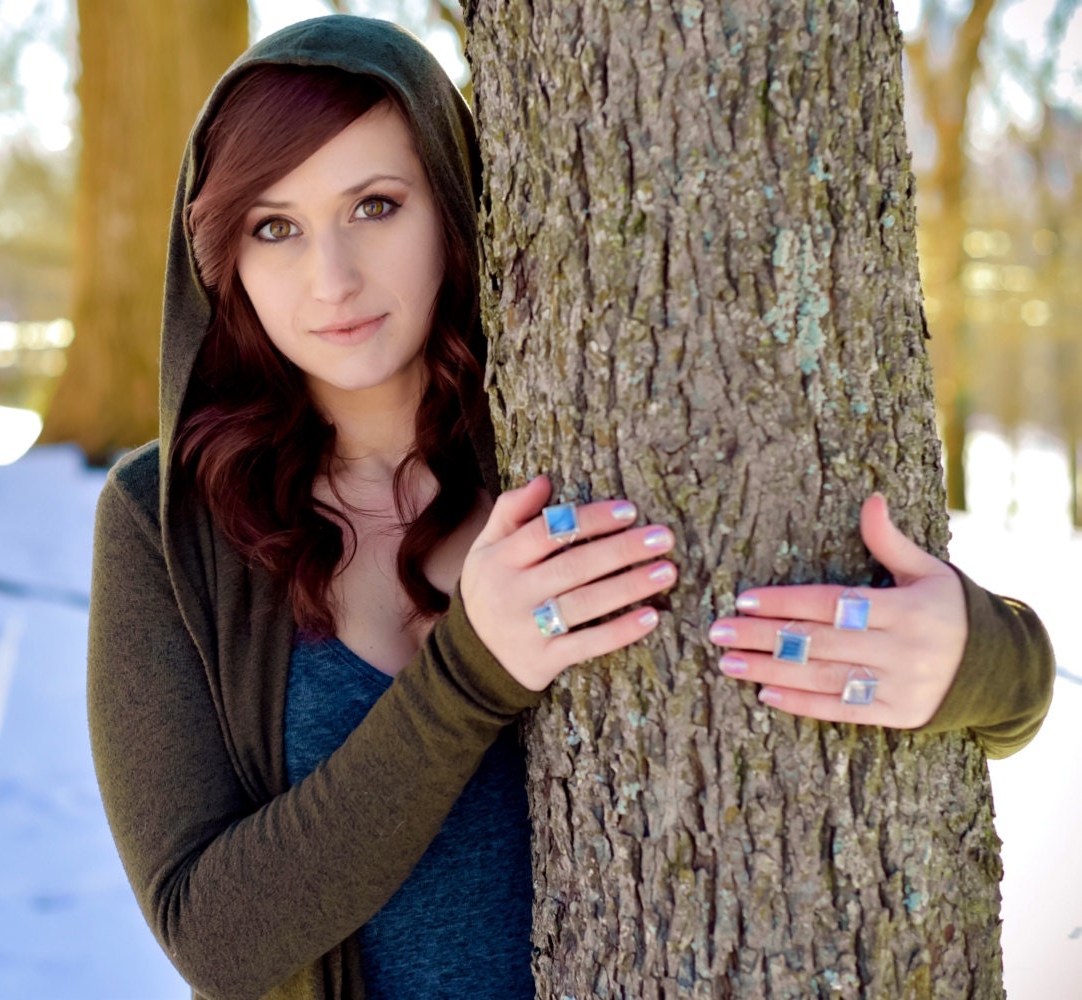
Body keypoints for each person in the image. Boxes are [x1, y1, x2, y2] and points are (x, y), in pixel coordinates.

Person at [87, 15, 1055, 1000]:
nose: (329, 279)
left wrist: (970, 658)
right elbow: (210, 935)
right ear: (225, 255)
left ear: (452, 201)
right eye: (276, 226)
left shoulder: (576, 441)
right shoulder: (167, 521)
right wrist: (469, 675)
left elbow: (1021, 685)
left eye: (375, 206)